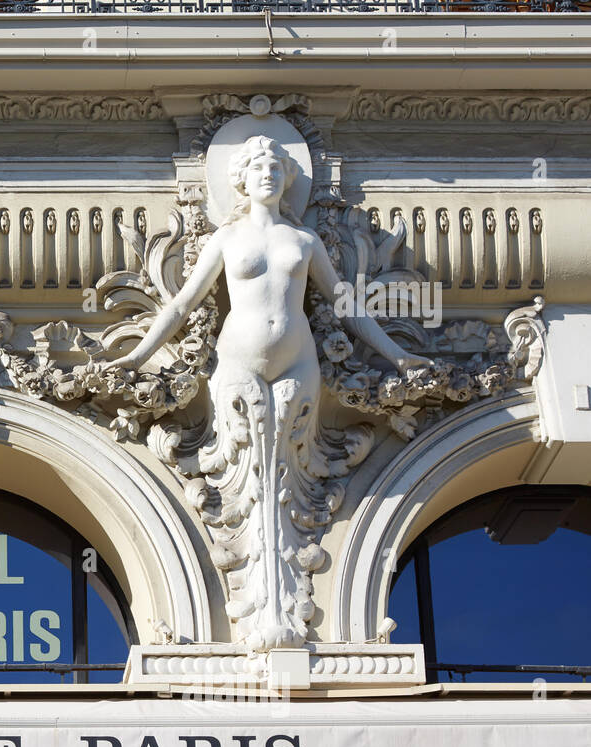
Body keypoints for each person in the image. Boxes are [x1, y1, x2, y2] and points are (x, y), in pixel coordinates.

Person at [106, 135, 429, 650]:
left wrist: (398, 355)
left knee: (287, 468)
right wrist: (137, 355)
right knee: (249, 470)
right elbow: (183, 304)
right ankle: (259, 597)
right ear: (240, 179)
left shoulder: (304, 242)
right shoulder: (227, 239)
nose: (268, 175)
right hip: (239, 359)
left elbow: (347, 307)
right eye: (258, 168)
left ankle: (285, 591)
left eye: (277, 168)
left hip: (298, 359)